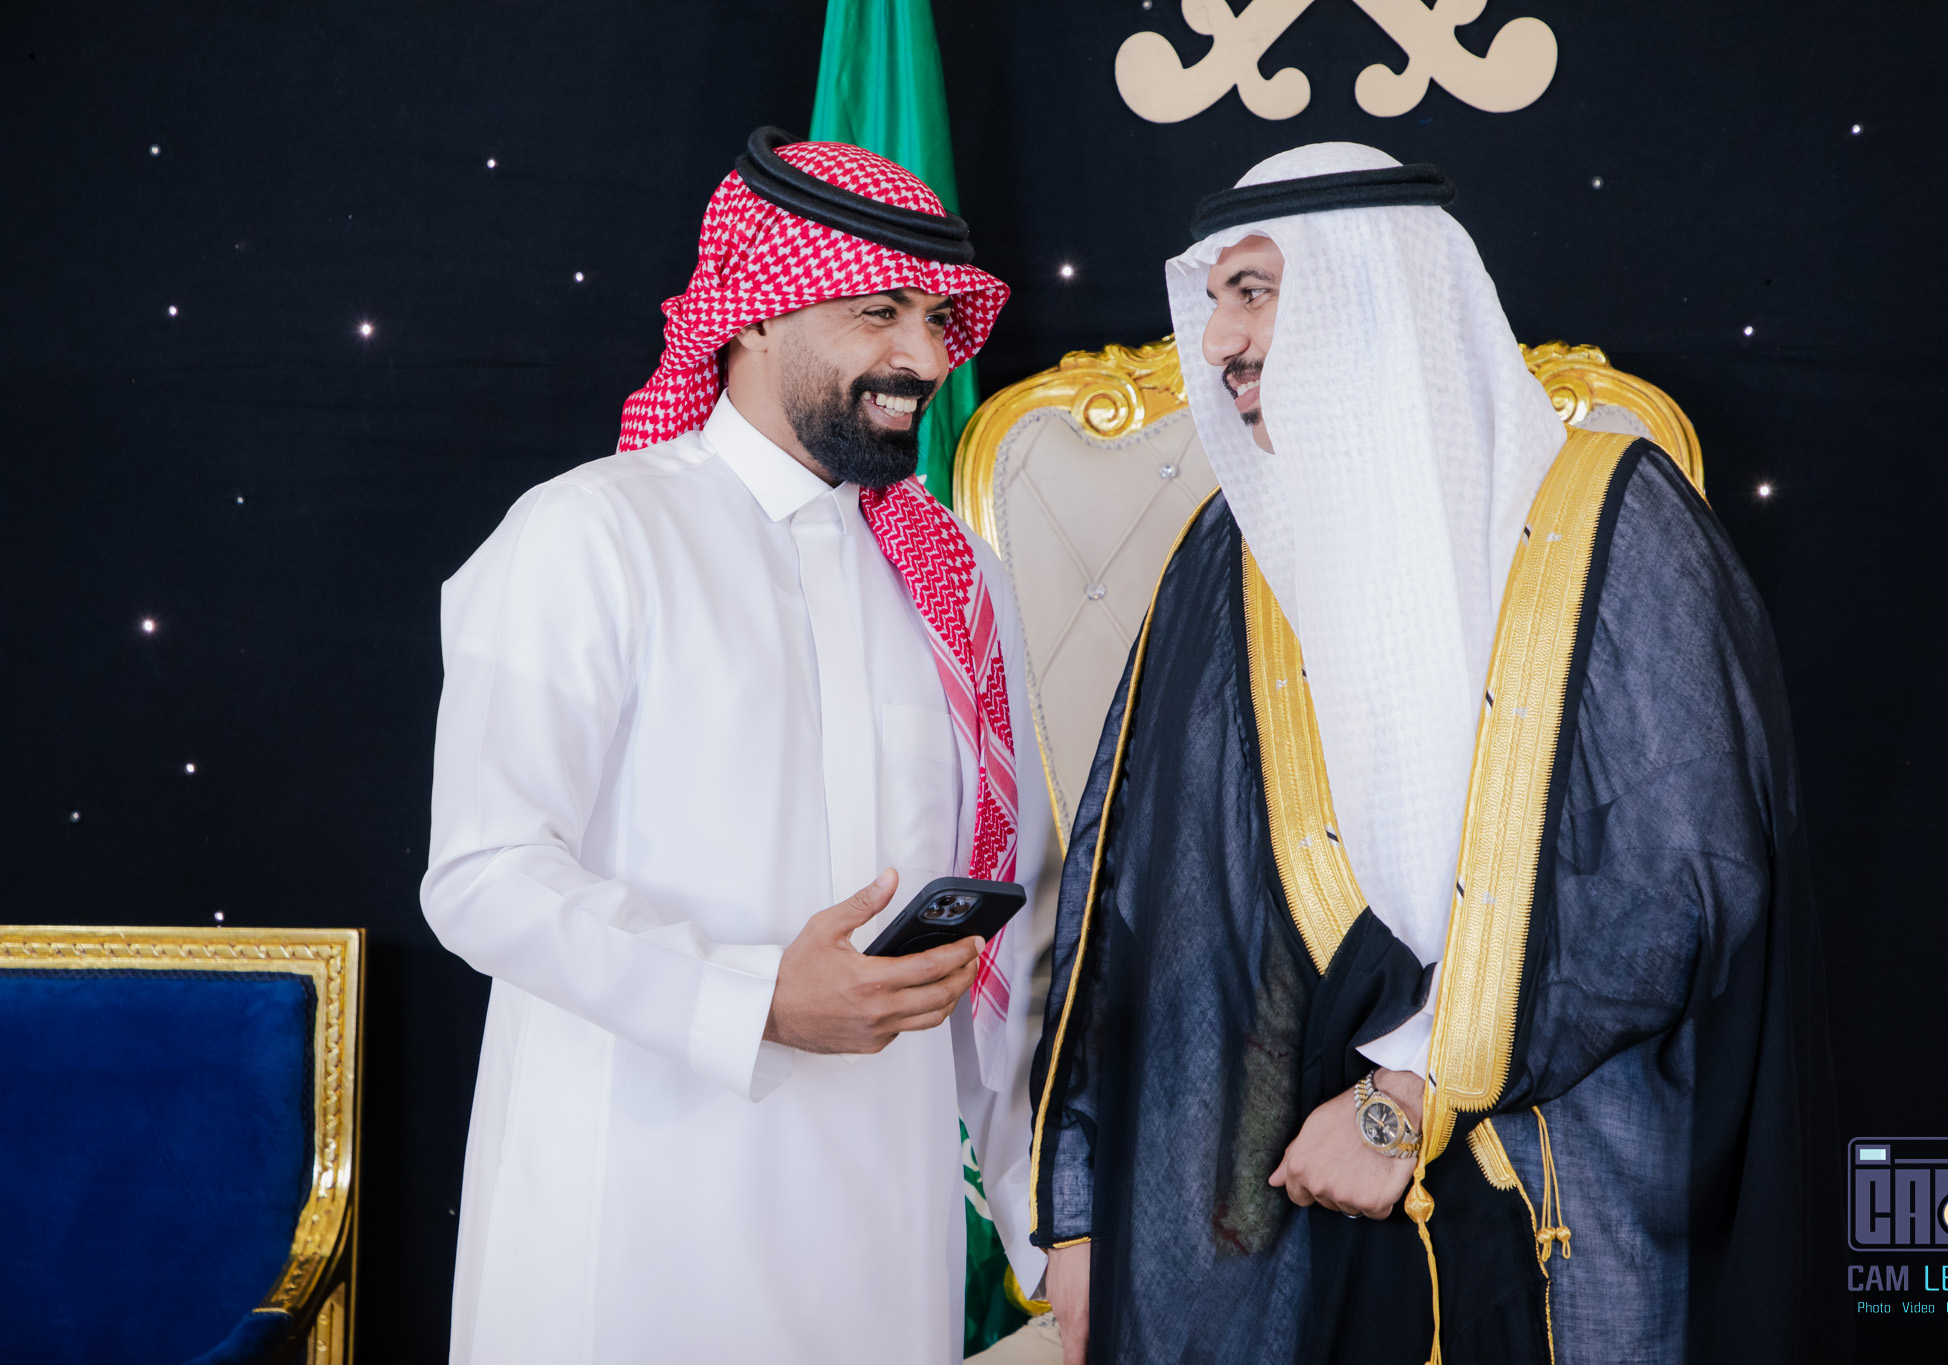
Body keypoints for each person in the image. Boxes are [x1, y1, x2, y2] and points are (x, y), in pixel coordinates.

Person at [1028, 143, 1844, 1364]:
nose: (1220, 341)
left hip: (1569, 1165)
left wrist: (1409, 1091)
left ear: (1372, 297)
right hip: (1292, 1192)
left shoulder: (1612, 520)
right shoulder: (1228, 559)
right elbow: (1141, 908)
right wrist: (1085, 1212)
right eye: (1213, 300)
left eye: (1254, 292)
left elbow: (1680, 883)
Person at [422, 128, 1050, 1365]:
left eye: (937, 318)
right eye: (879, 311)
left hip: (886, 1230)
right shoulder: (590, 535)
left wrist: (1049, 1231)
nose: (926, 358)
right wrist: (756, 999)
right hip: (633, 1221)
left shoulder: (954, 580)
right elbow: (485, 876)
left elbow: (1007, 930)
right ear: (755, 311)